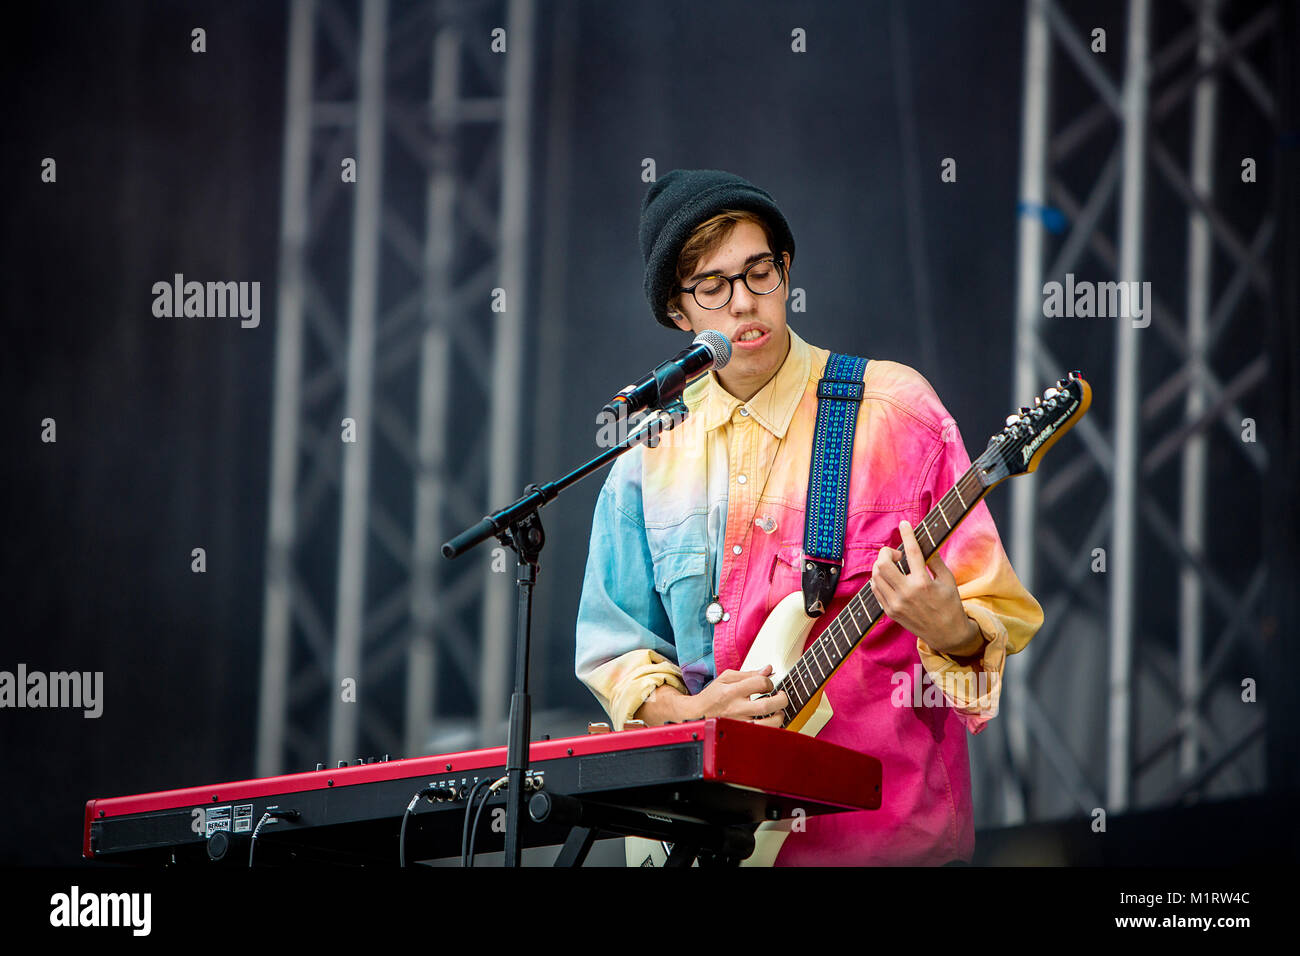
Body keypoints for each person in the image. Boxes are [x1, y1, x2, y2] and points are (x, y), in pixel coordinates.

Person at [574, 168, 1043, 865]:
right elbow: (619, 650)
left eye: (759, 272)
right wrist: (690, 714)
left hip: (887, 843)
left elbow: (994, 617)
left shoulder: (894, 412)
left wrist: (951, 628)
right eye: (713, 286)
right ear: (678, 312)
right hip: (715, 842)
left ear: (785, 269)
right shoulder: (646, 457)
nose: (744, 304)